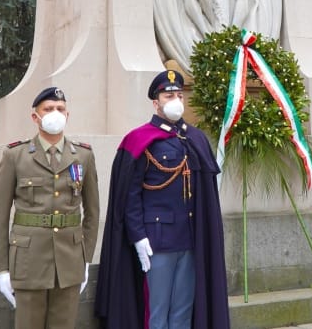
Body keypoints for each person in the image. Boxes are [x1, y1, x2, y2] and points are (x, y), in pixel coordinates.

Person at [95, 69, 230, 329]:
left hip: (190, 239)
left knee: (182, 312)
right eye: (169, 96)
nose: (176, 100)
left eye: (179, 95)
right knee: (157, 314)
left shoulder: (195, 138)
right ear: (155, 103)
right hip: (156, 241)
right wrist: (138, 237)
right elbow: (130, 196)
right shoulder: (139, 140)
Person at [0, 86, 100, 329]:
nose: (55, 113)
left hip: (69, 261)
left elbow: (92, 213)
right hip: (29, 261)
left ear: (67, 115)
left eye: (60, 109)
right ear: (35, 116)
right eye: (48, 109)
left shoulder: (83, 156)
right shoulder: (15, 156)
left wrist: (85, 260)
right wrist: (2, 269)